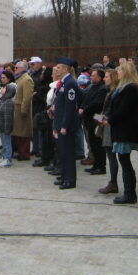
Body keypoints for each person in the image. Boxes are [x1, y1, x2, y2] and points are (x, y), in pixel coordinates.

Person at [104, 61, 138, 204]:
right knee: (124, 160)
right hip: (121, 128)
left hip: (125, 129)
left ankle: (129, 193)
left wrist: (111, 119)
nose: (117, 73)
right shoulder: (125, 87)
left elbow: (124, 109)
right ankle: (128, 192)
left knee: (125, 162)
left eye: (119, 70)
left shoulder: (130, 88)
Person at [52, 57, 80, 190]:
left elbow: (69, 108)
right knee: (63, 152)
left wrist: (64, 125)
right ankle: (64, 176)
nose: (56, 70)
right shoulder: (63, 83)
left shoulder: (70, 83)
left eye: (59, 67)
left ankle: (70, 179)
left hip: (66, 125)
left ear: (66, 69)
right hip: (60, 122)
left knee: (68, 153)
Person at [80, 67, 108, 176]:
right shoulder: (92, 87)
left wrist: (85, 110)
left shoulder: (102, 89)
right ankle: (96, 164)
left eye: (93, 75)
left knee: (97, 144)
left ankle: (101, 166)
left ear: (99, 77)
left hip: (95, 117)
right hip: (88, 117)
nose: (91, 77)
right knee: (92, 142)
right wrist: (82, 107)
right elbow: (86, 99)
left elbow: (97, 104)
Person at [98, 68, 120, 195]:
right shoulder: (110, 92)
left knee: (111, 155)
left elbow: (108, 113)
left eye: (107, 77)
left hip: (109, 126)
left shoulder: (113, 93)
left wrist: (97, 118)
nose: (105, 79)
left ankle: (113, 183)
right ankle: (113, 182)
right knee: (110, 155)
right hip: (107, 124)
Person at [12, 60, 34, 161]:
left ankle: (25, 153)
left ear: (22, 69)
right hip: (17, 108)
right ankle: (20, 151)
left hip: (22, 109)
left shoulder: (27, 79)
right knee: (18, 132)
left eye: (16, 68)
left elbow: (27, 96)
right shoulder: (20, 78)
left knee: (24, 132)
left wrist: (24, 109)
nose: (14, 70)